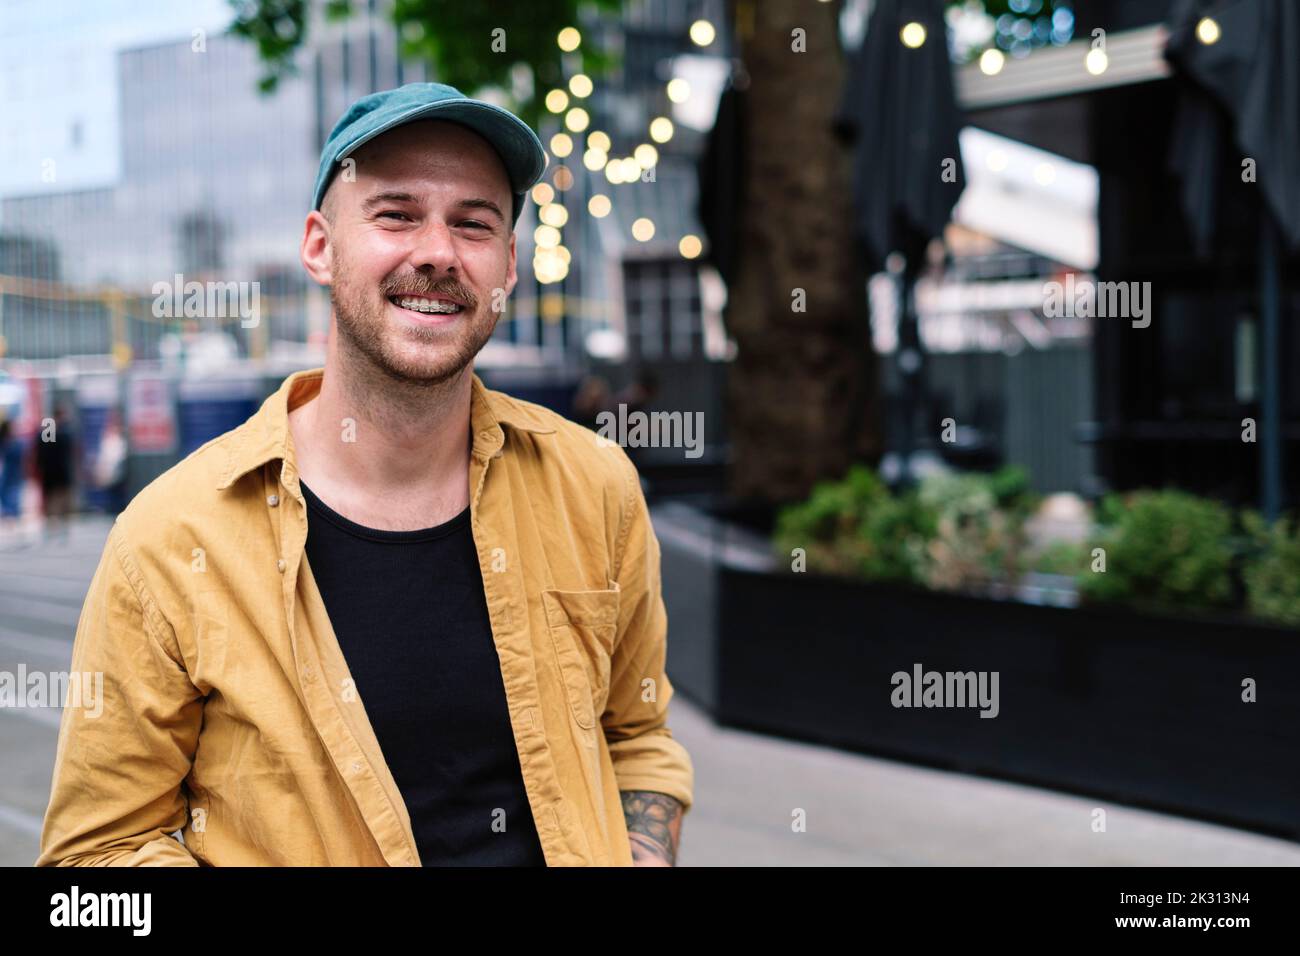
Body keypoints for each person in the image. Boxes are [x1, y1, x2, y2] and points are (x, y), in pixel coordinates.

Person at [38, 83, 693, 868]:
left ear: (508, 266)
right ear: (320, 246)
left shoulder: (596, 488)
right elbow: (95, 856)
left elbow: (638, 735)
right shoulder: (168, 541)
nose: (438, 253)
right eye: (395, 214)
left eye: (473, 223)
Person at [35, 402, 77, 543]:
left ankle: (51, 529)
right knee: (61, 500)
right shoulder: (63, 432)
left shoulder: (48, 431)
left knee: (51, 501)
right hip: (60, 472)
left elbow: (41, 453)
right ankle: (60, 529)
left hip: (49, 472)